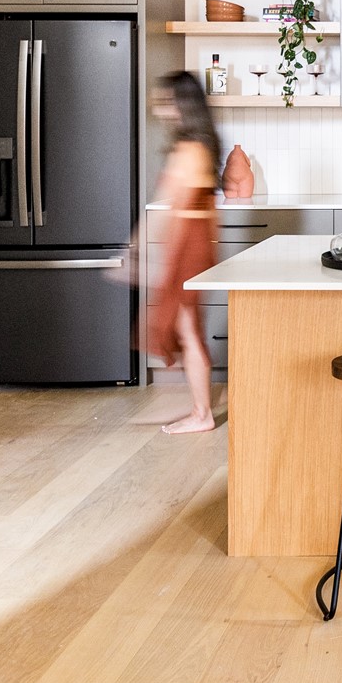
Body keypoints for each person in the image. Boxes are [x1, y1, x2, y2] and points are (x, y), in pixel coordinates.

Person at [144, 70, 222, 434]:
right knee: (188, 327)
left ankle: (201, 414)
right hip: (198, 241)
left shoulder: (188, 149)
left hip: (189, 244)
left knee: (188, 329)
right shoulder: (203, 144)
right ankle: (200, 410)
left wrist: (140, 249)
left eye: (165, 100)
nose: (159, 108)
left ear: (181, 104)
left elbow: (173, 205)